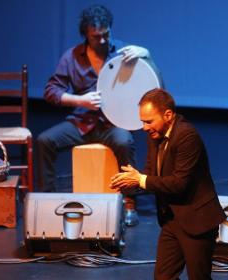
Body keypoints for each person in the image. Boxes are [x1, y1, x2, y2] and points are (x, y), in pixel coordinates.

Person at [110, 88, 228, 280]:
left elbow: (179, 183)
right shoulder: (154, 136)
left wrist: (139, 181)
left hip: (197, 220)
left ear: (168, 115)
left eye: (149, 121)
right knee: (164, 278)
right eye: (142, 121)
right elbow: (152, 175)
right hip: (173, 219)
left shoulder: (187, 136)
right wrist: (132, 181)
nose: (144, 127)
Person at [37, 4, 152, 226]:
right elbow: (51, 92)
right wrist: (79, 100)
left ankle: (129, 201)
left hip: (111, 123)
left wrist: (145, 53)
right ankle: (47, 200)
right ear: (86, 35)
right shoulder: (71, 57)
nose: (101, 40)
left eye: (105, 34)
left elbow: (149, 74)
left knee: (124, 142)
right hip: (82, 122)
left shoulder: (122, 52)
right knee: (44, 141)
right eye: (95, 36)